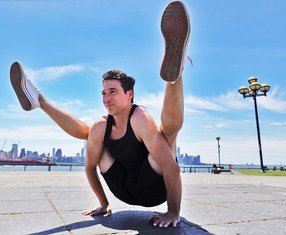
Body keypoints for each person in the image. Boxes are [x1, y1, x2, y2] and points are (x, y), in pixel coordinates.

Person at [10, 1, 190, 228]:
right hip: (123, 190)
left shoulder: (140, 117)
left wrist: (173, 212)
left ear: (130, 94)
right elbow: (89, 167)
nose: (106, 98)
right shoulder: (101, 125)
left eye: (113, 92)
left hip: (154, 190)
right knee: (93, 134)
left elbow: (171, 167)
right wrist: (104, 203)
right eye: (103, 92)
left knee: (167, 137)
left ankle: (174, 76)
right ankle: (40, 101)